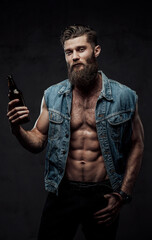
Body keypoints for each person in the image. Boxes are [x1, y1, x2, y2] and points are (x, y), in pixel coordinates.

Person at [7, 25, 144, 240]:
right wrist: (17, 130)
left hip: (103, 193)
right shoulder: (52, 95)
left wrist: (123, 194)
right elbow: (37, 140)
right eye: (69, 52)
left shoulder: (125, 96)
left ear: (96, 51)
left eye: (81, 49)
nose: (75, 57)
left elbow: (137, 143)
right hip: (63, 192)